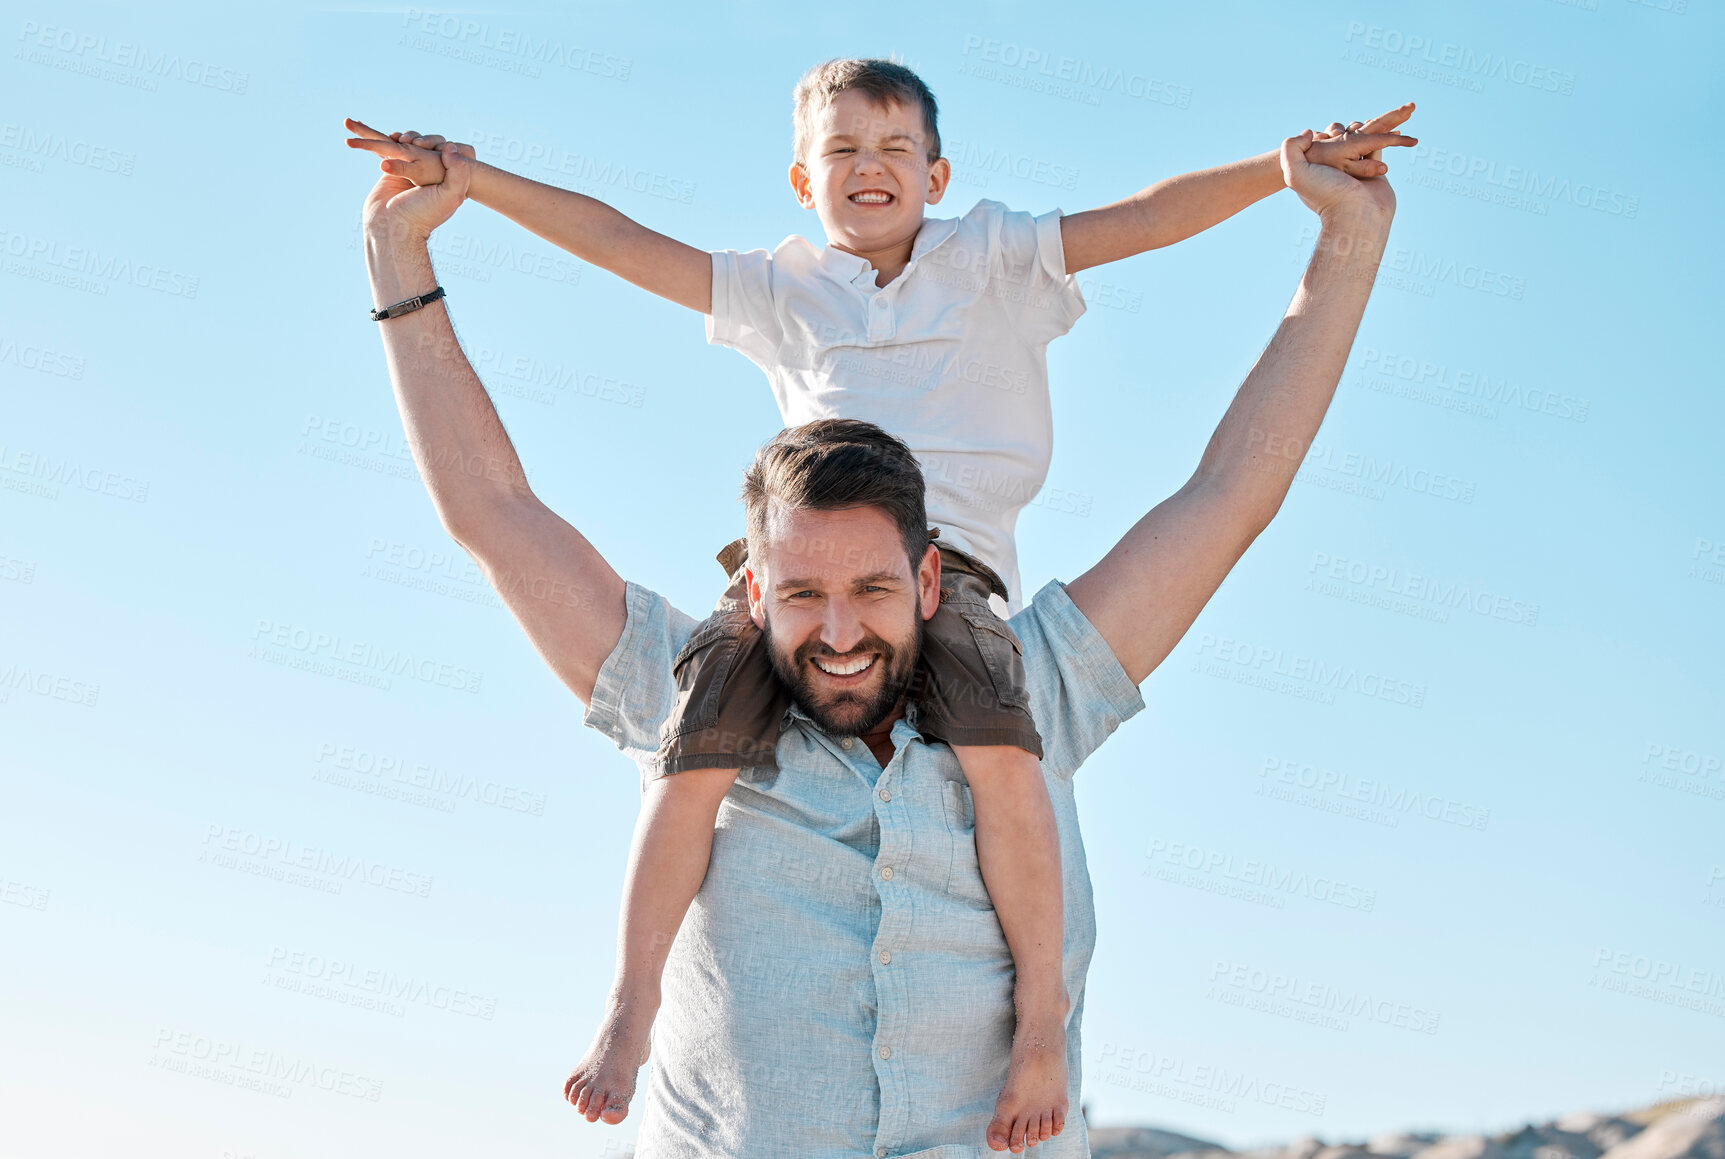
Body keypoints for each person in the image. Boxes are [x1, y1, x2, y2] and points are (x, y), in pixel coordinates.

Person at [346, 61, 1414, 1147]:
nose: (843, 633)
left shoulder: (1029, 669)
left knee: (1013, 768)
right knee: (689, 756)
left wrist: (1334, 227)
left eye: (873, 591)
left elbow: (1233, 489)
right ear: (755, 587)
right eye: (803, 594)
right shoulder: (697, 667)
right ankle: (629, 1007)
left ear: (927, 578)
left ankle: (1040, 1020)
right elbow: (492, 501)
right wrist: (411, 242)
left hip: (980, 607)